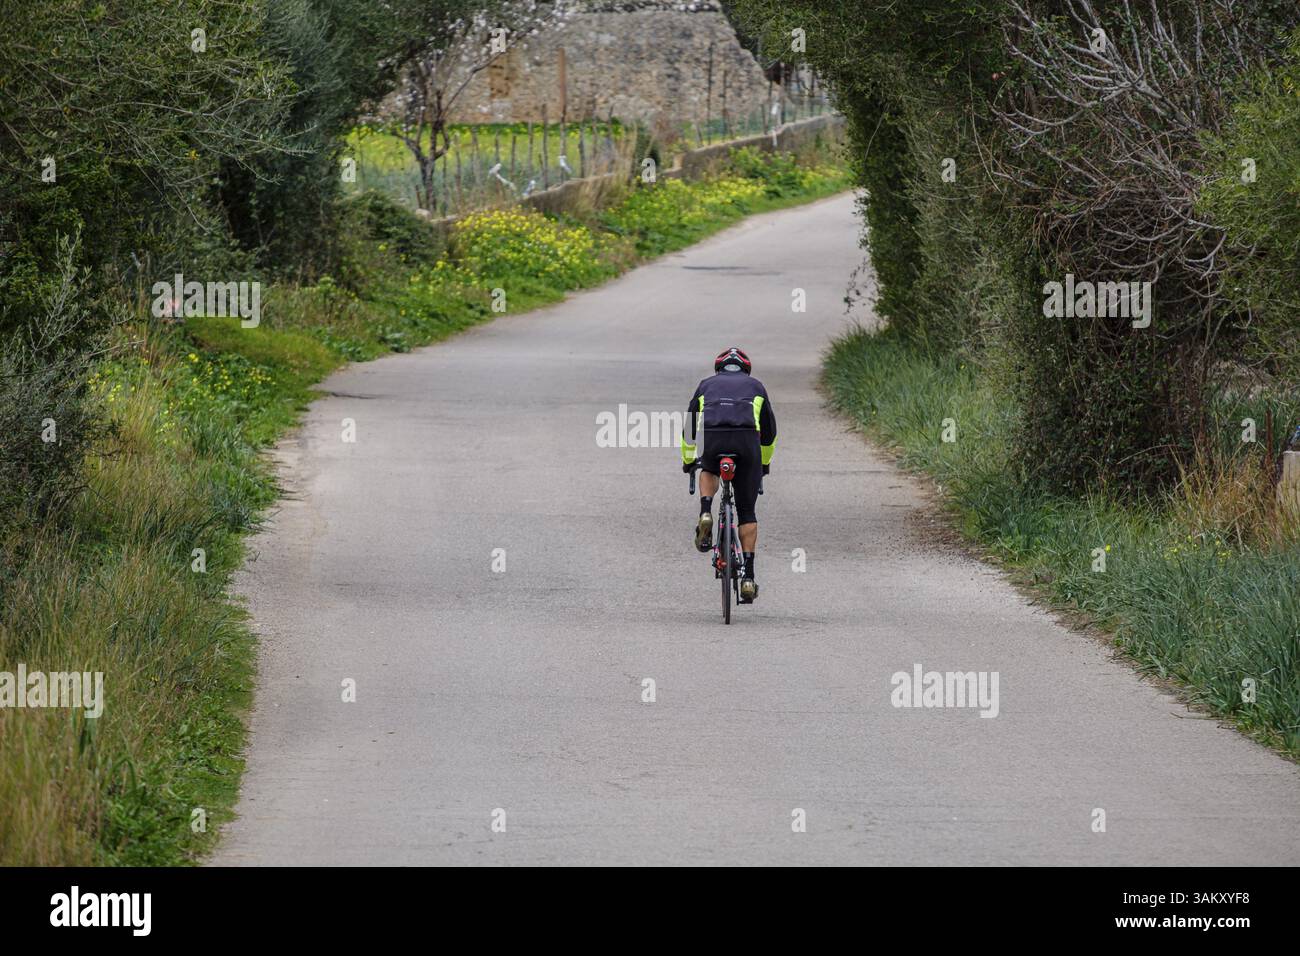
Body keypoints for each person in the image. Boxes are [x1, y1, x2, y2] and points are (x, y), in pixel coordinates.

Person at [680, 347, 777, 603]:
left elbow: (690, 426)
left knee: (709, 467)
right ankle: (748, 577)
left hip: (715, 439)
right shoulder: (757, 387)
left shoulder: (706, 386)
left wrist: (689, 460)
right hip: (747, 443)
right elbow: (768, 435)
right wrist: (763, 465)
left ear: (718, 369)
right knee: (747, 512)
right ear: (746, 370)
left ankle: (705, 510)